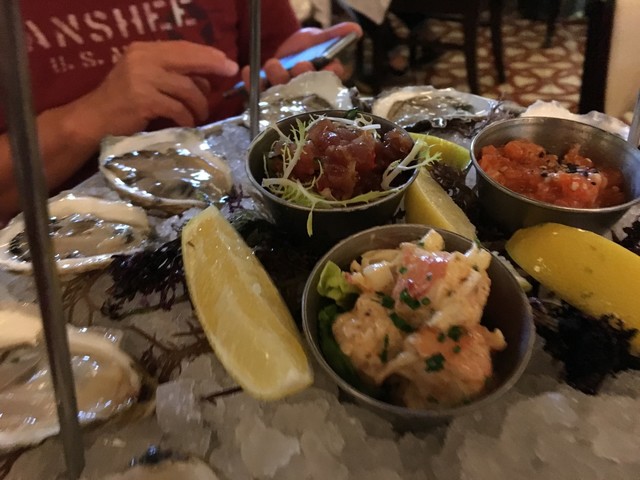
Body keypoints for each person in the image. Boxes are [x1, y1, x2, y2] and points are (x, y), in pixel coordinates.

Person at [0, 0, 361, 224]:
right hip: (51, 255)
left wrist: (282, 81)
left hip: (237, 209)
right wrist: (92, 115)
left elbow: (267, 61)